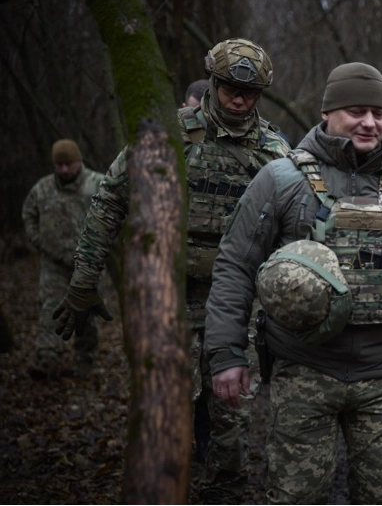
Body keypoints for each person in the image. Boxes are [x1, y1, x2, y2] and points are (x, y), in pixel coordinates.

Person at [204, 61, 382, 505]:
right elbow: (235, 265)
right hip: (302, 370)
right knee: (296, 497)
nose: (370, 122)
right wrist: (225, 353)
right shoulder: (281, 180)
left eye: (378, 112)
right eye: (356, 110)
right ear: (327, 113)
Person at [53, 38, 290, 505]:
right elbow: (109, 202)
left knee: (232, 414)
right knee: (169, 406)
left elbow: (296, 228)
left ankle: (225, 491)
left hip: (236, 300)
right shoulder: (170, 135)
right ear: (213, 82)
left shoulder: (275, 153)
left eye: (249, 93)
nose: (238, 100)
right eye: (228, 89)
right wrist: (84, 278)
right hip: (170, 295)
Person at [22, 139, 105, 379]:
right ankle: (47, 357)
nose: (64, 169)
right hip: (54, 263)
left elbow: (116, 213)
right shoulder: (43, 189)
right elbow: (28, 214)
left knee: (87, 314)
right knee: (51, 309)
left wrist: (103, 246)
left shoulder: (97, 184)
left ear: (79, 161)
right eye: (59, 165)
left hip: (89, 263)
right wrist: (39, 241)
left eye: (69, 164)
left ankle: (84, 359)